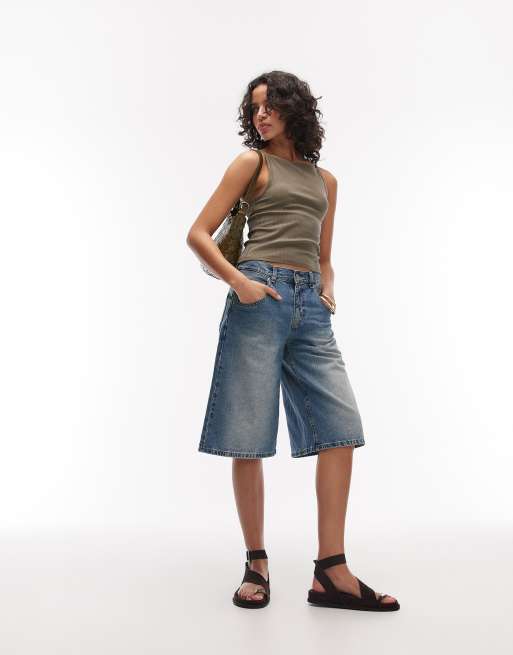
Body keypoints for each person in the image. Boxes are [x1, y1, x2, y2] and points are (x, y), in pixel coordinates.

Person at [186, 71, 399, 612]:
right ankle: (256, 563)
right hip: (259, 298)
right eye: (254, 108)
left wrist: (327, 288)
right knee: (248, 435)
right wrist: (241, 283)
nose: (260, 115)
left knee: (341, 429)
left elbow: (324, 256)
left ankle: (331, 570)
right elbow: (198, 234)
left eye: (270, 105)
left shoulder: (326, 181)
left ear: (293, 108)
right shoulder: (250, 164)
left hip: (310, 309)